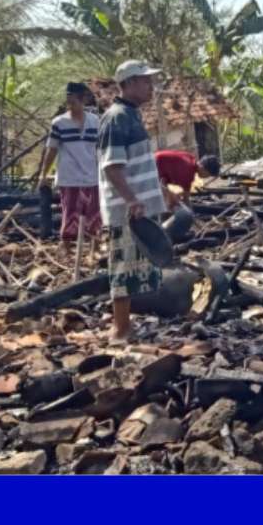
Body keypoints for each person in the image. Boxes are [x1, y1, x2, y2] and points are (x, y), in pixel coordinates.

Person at [98, 61, 167, 341]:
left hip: (139, 207)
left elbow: (137, 165)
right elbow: (112, 166)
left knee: (135, 267)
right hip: (127, 210)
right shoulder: (116, 117)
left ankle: (127, 326)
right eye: (144, 81)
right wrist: (131, 200)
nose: (150, 87)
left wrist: (163, 193)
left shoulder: (131, 115)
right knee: (123, 268)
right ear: (127, 85)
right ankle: (120, 329)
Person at [40, 82, 102, 251]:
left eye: (74, 100)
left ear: (83, 100)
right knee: (70, 212)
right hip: (69, 175)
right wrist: (43, 174)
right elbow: (51, 149)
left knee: (93, 213)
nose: (71, 105)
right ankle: (66, 246)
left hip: (91, 174)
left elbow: (99, 148)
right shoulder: (59, 123)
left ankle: (95, 247)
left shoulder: (95, 121)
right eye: (68, 101)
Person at [155, 149, 221, 208]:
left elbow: (186, 196)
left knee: (172, 198)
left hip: (157, 165)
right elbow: (185, 198)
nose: (206, 177)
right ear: (203, 168)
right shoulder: (188, 171)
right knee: (169, 202)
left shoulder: (191, 159)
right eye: (208, 175)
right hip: (153, 167)